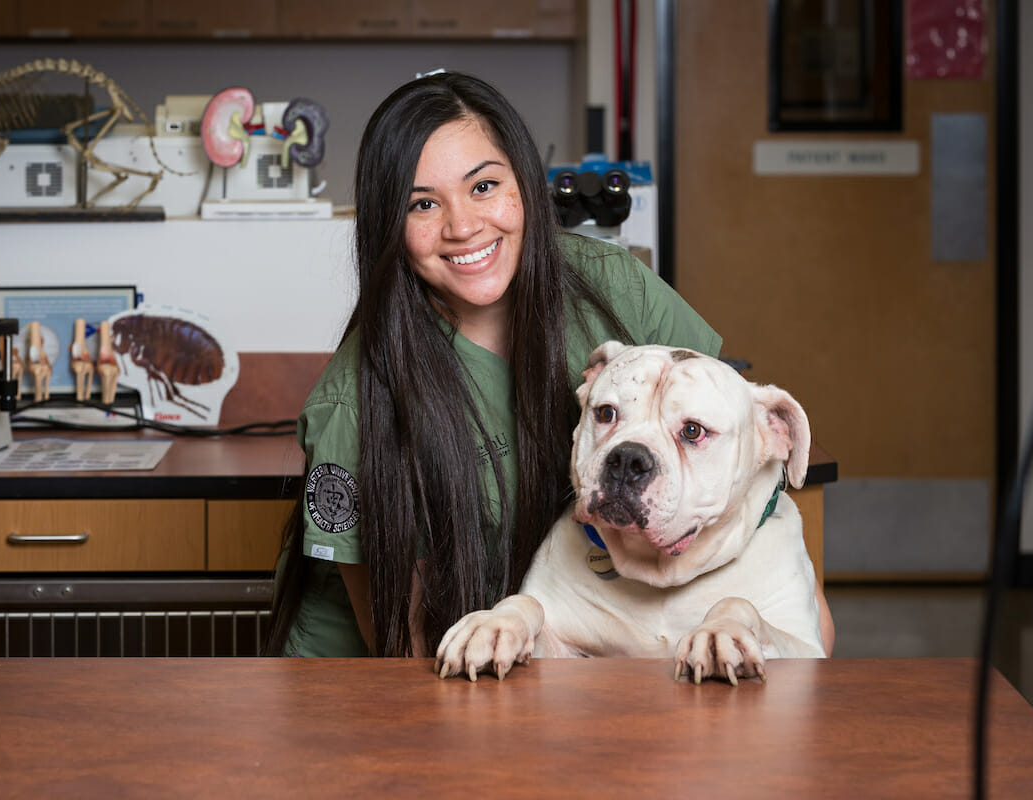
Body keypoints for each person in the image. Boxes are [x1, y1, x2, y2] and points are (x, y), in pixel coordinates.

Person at [264, 71, 834, 659]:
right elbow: (403, 648)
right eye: (424, 204)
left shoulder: (610, 287)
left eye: (483, 187)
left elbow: (726, 444)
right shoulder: (352, 404)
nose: (463, 226)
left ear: (525, 184)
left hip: (544, 673)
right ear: (388, 226)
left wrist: (781, 614)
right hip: (381, 689)